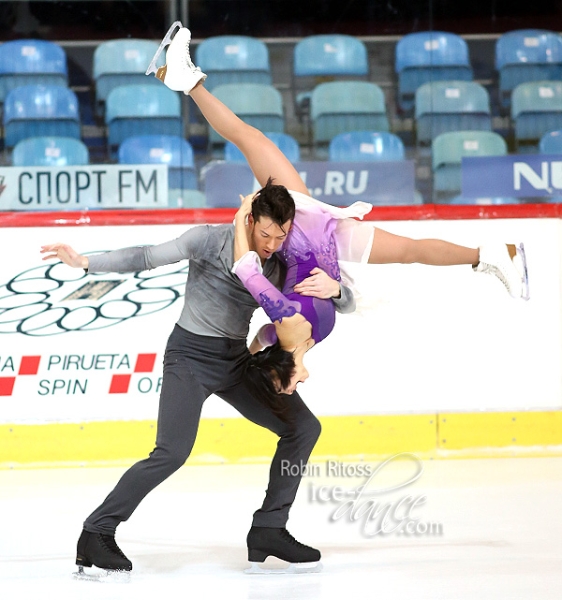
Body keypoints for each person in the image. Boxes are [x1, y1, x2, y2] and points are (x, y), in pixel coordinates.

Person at [40, 31, 357, 579]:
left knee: (303, 429)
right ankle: (96, 533)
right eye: (266, 234)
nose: (273, 246)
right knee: (171, 453)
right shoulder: (207, 240)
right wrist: (85, 261)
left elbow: (341, 302)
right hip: (190, 356)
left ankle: (268, 529)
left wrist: (340, 292)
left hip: (236, 360)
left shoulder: (286, 256)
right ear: (249, 216)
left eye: (282, 237)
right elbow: (143, 254)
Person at [146, 24, 529, 406]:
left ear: (282, 369)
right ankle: (490, 254)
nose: (295, 388)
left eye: (287, 385)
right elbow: (314, 318)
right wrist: (338, 290)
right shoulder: (274, 338)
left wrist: (244, 216)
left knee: (251, 140)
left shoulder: (284, 324)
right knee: (407, 251)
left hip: (301, 234)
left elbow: (246, 269)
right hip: (324, 245)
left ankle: (188, 80)